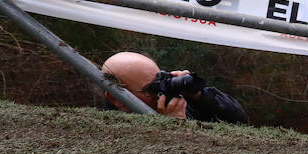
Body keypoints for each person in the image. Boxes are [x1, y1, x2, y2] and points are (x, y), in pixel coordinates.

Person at [100, 51, 247, 124]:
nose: (160, 90)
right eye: (150, 89)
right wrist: (172, 125)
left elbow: (239, 119)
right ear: (115, 99)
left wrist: (199, 96)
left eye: (160, 79)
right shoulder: (111, 128)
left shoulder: (172, 101)